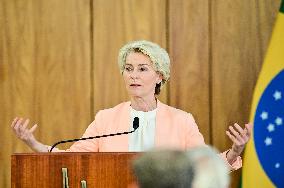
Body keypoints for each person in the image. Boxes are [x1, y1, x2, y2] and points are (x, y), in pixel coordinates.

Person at [11, 40, 252, 171]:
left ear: (160, 76)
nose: (133, 75)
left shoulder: (182, 120)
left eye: (142, 69)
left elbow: (204, 166)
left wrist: (235, 152)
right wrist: (34, 143)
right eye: (128, 69)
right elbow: (72, 159)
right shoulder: (106, 118)